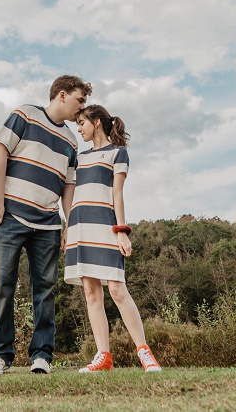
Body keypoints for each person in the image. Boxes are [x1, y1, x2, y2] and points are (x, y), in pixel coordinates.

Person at [0, 75, 92, 376]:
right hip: (9, 216)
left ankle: (41, 355)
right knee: (2, 285)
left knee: (45, 289)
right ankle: (1, 356)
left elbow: (69, 186)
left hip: (47, 224)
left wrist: (69, 224)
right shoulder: (25, 115)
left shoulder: (71, 141)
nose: (82, 107)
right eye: (80, 100)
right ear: (61, 95)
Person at [64, 104, 162, 373]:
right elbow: (71, 195)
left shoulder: (118, 153)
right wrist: (67, 230)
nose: (79, 129)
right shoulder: (79, 157)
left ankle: (145, 353)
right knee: (90, 293)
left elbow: (117, 194)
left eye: (82, 123)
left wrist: (122, 232)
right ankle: (103, 357)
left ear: (96, 122)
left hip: (106, 227)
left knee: (118, 290)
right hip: (80, 229)